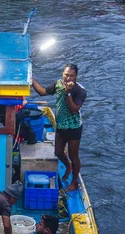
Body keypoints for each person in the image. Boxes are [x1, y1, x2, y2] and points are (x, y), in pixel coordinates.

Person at [32, 63, 87, 192]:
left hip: (73, 127)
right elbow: (42, 92)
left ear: (76, 76)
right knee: (58, 152)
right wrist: (32, 79)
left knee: (74, 155)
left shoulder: (80, 91)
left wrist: (68, 93)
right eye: (66, 75)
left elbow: (74, 110)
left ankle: (74, 182)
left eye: (71, 76)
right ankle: (68, 166)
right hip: (61, 125)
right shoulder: (58, 84)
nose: (68, 78)